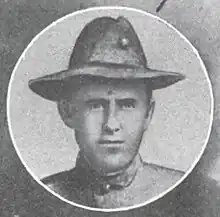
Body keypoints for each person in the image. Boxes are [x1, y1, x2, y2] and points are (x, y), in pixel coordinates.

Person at [28, 16, 185, 209]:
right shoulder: (38, 199)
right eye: (96, 105)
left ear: (148, 114)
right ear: (67, 112)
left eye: (127, 105)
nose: (111, 124)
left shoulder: (183, 192)